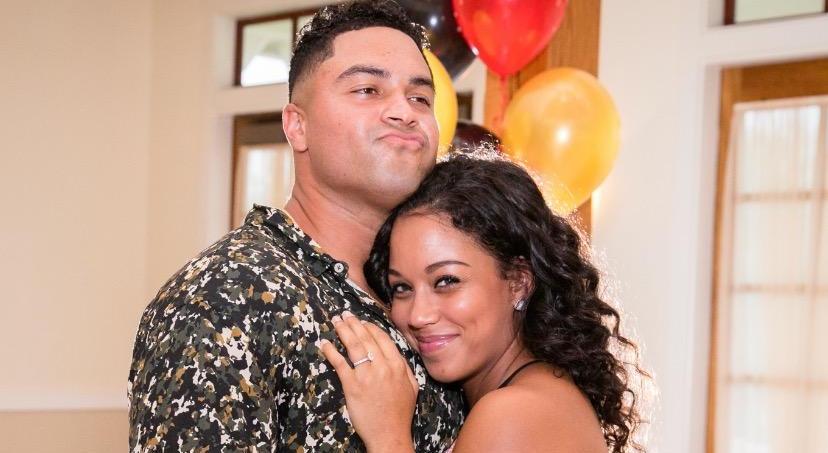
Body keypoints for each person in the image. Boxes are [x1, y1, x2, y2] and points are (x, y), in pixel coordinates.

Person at [127, 1, 464, 451]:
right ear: (297, 126)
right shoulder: (225, 297)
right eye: (368, 89)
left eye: (420, 98)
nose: (404, 111)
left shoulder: (427, 297)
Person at [321, 153, 648, 452]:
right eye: (402, 287)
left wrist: (388, 435)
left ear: (519, 282)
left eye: (446, 281)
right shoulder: (542, 392)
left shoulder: (513, 414)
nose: (418, 315)